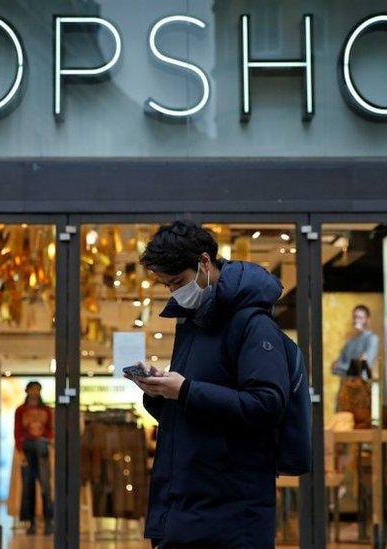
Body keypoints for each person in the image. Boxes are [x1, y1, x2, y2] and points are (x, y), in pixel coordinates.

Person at [125, 220, 290, 548]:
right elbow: (195, 410)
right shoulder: (195, 322)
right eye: (166, 285)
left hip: (231, 510)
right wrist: (160, 392)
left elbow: (267, 404)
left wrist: (184, 390)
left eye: (177, 282)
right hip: (188, 504)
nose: (173, 292)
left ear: (204, 262)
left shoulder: (253, 324)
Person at [13, 381, 54, 535]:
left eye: (37, 389)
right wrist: (20, 450)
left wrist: (47, 439)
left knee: (46, 487)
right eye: (33, 389)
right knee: (28, 487)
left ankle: (49, 521)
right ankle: (31, 523)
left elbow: (50, 429)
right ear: (27, 391)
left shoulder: (47, 410)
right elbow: (17, 431)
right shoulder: (21, 410)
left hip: (42, 448)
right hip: (28, 448)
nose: (35, 392)